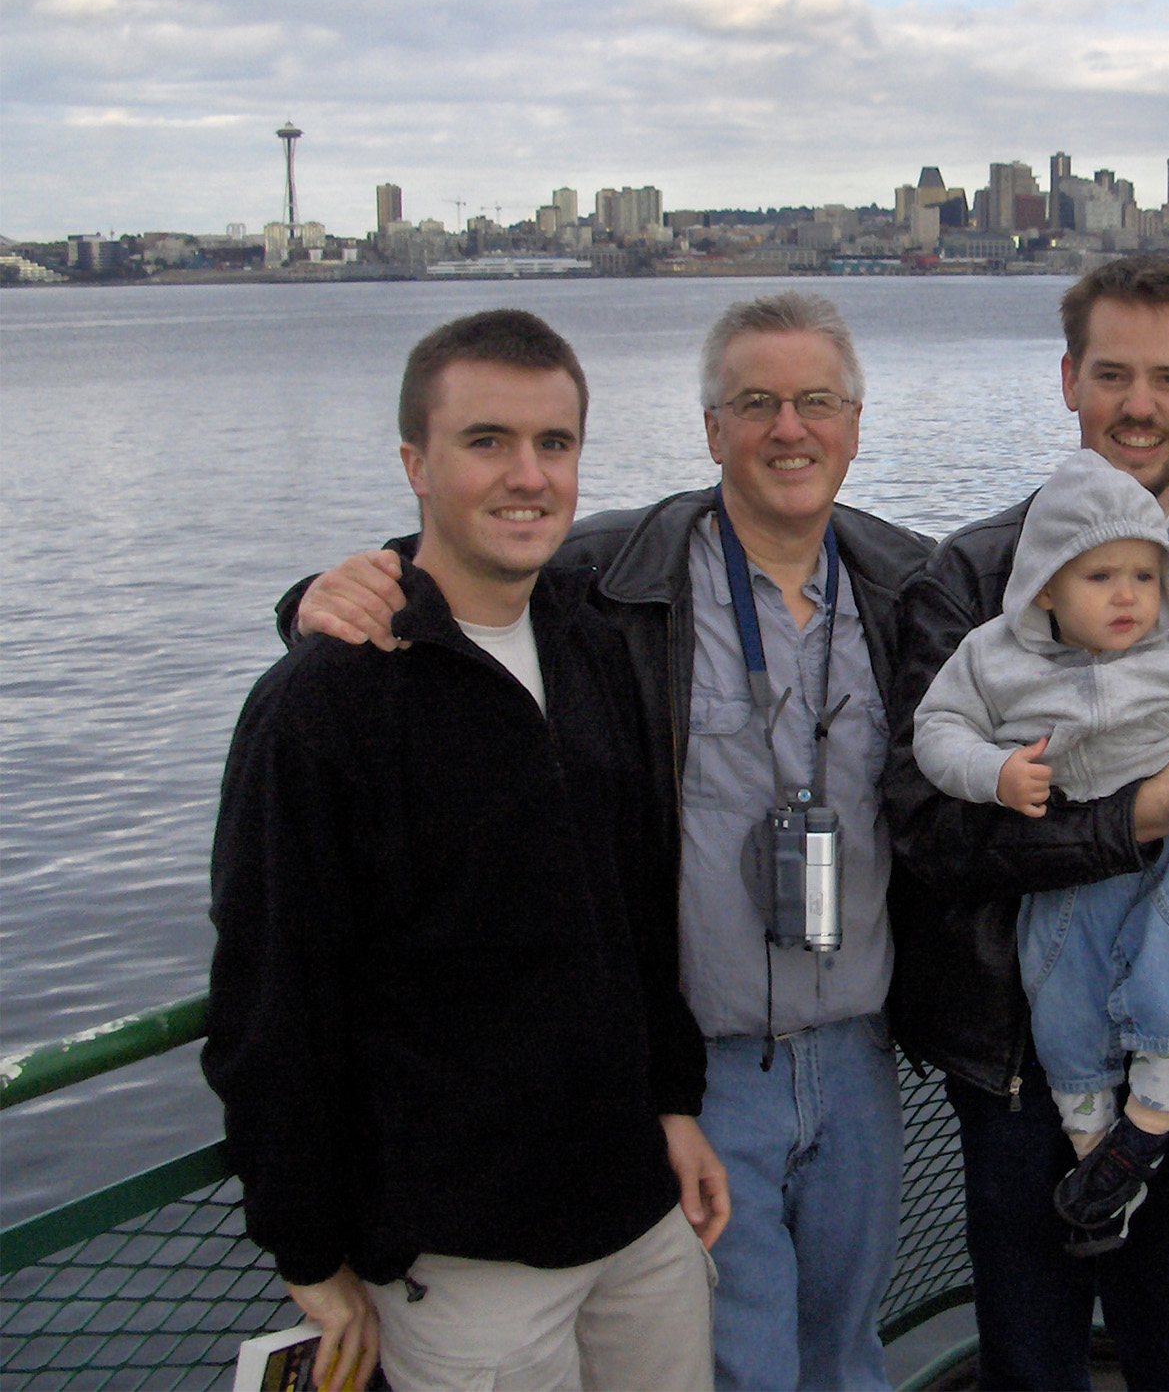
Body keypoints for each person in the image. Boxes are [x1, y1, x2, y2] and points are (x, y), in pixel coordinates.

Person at [285, 292, 933, 1392]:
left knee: (845, 1353)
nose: (789, 428)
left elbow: (1077, 590)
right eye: (755, 403)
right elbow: (475, 564)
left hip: (863, 1055)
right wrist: (326, 592)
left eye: (816, 401)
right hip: (706, 1063)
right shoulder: (618, 576)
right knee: (739, 1364)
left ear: (856, 422)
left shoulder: (913, 582)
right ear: (710, 428)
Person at [205, 309, 727, 1392]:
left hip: (637, 1214)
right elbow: (271, 989)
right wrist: (304, 1243)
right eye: (486, 441)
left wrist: (671, 1101)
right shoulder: (322, 705)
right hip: (462, 1257)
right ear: (415, 462)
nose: (526, 476)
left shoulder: (589, 645)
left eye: (555, 443)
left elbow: (638, 904)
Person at [885, 255, 1169, 1389]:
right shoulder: (973, 577)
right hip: (1023, 1062)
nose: (1137, 404)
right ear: (1066, 380)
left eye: (1166, 377)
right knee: (1031, 1360)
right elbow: (925, 829)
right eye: (1111, 372)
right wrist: (1138, 820)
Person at [912, 447, 1169, 1256]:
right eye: (1100, 576)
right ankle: (1101, 1173)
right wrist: (995, 771)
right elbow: (934, 732)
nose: (1127, 595)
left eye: (1145, 576)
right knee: (1064, 1011)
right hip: (1061, 868)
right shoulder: (990, 656)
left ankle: (1145, 1128)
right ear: (1045, 584)